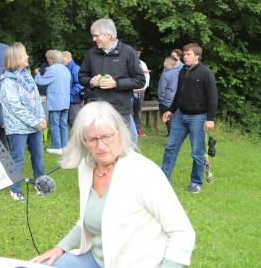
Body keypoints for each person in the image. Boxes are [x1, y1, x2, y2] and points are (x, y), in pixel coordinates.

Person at [31, 101, 196, 268]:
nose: (101, 146)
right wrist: (60, 248)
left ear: (120, 133)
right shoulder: (86, 166)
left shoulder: (144, 172)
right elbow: (87, 221)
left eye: (107, 136)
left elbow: (182, 232)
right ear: (83, 141)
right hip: (96, 260)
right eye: (92, 139)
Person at [162, 43, 218, 194]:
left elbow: (213, 98)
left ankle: (196, 182)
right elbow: (179, 94)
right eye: (184, 54)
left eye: (188, 54)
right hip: (180, 116)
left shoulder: (206, 73)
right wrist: (171, 110)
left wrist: (210, 118)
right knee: (170, 148)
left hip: (198, 117)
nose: (185, 57)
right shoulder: (182, 72)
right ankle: (163, 179)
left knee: (197, 152)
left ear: (197, 56)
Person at [79, 18, 145, 143]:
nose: (94, 39)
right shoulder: (91, 53)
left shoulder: (128, 52)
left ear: (108, 35)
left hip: (119, 110)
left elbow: (140, 80)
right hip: (96, 110)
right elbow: (82, 77)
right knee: (100, 145)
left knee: (126, 145)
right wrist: (92, 81)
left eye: (96, 36)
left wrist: (116, 84)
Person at [0, 43, 46, 201]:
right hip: (18, 127)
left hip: (34, 124)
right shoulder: (7, 82)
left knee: (38, 155)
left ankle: (41, 185)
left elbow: (36, 99)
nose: (27, 56)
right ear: (16, 59)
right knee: (17, 158)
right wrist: (35, 122)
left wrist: (41, 117)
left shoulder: (27, 75)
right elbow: (16, 108)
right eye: (24, 54)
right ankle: (15, 190)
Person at [34, 50, 71, 155]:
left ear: (52, 59)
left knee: (54, 124)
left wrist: (37, 74)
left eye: (48, 59)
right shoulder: (65, 69)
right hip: (65, 101)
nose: (47, 61)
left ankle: (57, 147)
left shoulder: (52, 69)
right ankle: (65, 146)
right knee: (63, 124)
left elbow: (41, 81)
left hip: (56, 101)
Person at [158, 56, 179, 135]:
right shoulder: (179, 73)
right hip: (177, 101)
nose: (163, 63)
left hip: (166, 101)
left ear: (167, 63)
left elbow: (161, 89)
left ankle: (171, 138)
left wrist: (161, 100)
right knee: (175, 121)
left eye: (164, 61)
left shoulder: (165, 74)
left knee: (168, 120)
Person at [61, 51, 83, 127]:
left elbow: (80, 84)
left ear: (67, 58)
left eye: (62, 59)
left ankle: (79, 139)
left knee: (75, 124)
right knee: (67, 123)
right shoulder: (64, 68)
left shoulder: (75, 68)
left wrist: (69, 94)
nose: (60, 61)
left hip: (74, 101)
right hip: (67, 100)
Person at [132, 46, 150, 136]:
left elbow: (147, 77)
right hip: (130, 92)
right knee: (127, 111)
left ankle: (137, 129)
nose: (137, 54)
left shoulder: (142, 63)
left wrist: (144, 88)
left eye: (138, 53)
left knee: (138, 111)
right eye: (135, 52)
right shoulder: (127, 63)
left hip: (140, 92)